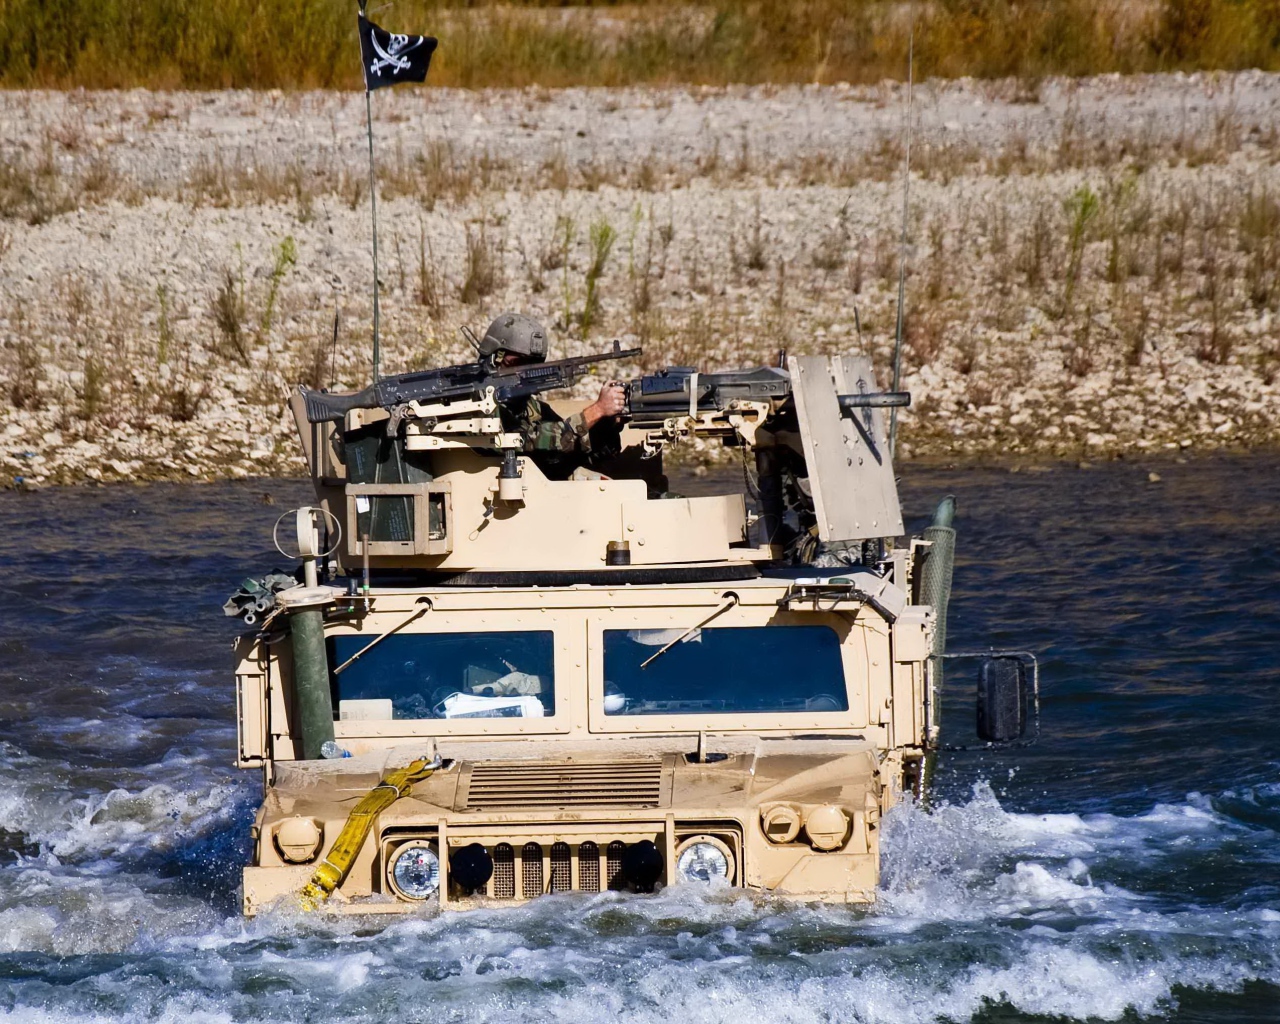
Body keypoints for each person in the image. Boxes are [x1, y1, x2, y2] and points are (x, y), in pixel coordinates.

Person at [478, 312, 627, 477]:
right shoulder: (471, 404)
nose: (524, 373)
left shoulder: (531, 408)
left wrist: (607, 424)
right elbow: (526, 439)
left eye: (532, 365)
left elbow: (569, 450)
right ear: (493, 358)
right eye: (517, 363)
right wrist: (596, 411)